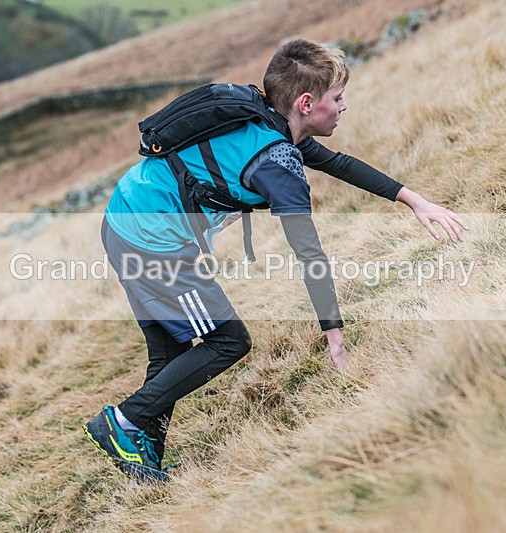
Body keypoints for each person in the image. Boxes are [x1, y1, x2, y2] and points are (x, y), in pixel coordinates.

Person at [83, 39, 468, 482]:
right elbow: (308, 252)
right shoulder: (276, 161)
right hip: (150, 241)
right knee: (228, 340)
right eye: (337, 98)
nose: (344, 106)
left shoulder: (269, 126)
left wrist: (414, 200)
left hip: (125, 218)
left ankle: (140, 458)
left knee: (170, 351)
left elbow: (340, 164)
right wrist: (334, 331)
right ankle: (122, 421)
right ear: (306, 103)